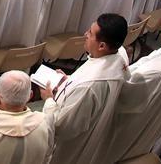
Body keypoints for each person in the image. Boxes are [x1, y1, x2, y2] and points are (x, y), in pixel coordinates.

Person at [41, 13, 130, 164]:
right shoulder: (116, 57)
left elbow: (62, 127)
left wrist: (49, 99)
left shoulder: (89, 86)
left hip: (68, 147)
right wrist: (67, 81)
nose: (85, 35)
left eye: (90, 33)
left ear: (102, 46)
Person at [107, 13, 161, 161]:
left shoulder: (157, 72)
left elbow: (127, 94)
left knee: (117, 149)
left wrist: (120, 70)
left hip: (136, 118)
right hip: (157, 111)